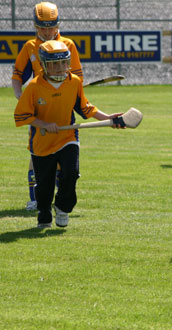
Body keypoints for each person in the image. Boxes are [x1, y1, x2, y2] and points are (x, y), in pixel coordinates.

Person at [14, 40, 124, 229]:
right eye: (55, 64)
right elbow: (22, 115)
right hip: (42, 143)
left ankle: (63, 207)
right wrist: (44, 124)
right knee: (45, 185)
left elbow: (85, 108)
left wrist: (108, 118)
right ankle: (44, 213)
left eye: (64, 63)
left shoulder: (74, 82)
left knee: (71, 173)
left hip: (68, 138)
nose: (60, 68)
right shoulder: (34, 87)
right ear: (44, 65)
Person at [12, 1, 84, 211]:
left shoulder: (69, 45)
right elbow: (17, 76)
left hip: (63, 109)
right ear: (35, 26)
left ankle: (61, 201)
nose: (46, 31)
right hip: (40, 110)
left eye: (50, 26)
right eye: (42, 27)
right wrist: (20, 97)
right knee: (37, 154)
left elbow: (77, 76)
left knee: (65, 156)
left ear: (58, 24)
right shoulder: (30, 47)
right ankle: (36, 199)